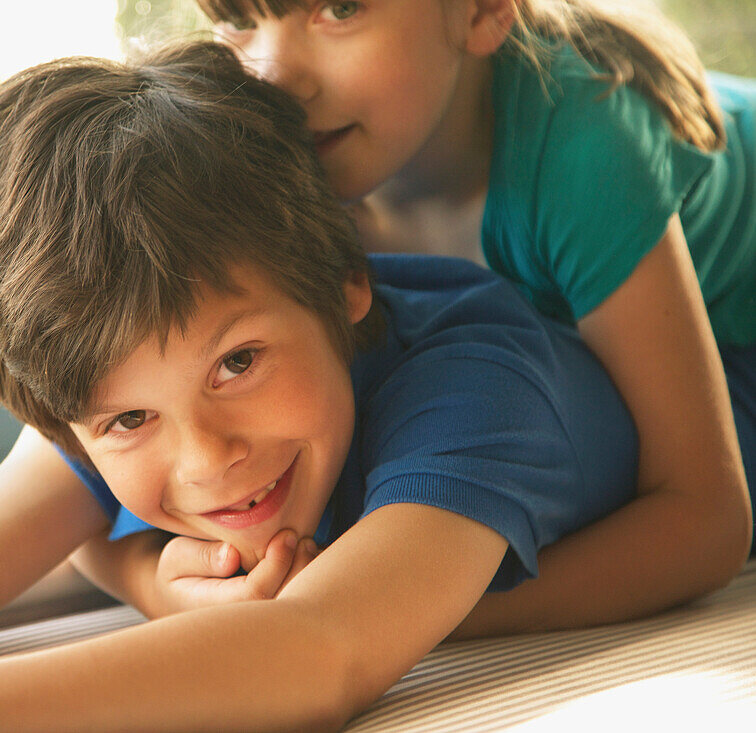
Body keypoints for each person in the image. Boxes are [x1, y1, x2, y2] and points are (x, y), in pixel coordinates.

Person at [0, 42, 749, 731]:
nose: (203, 458)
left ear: (344, 285)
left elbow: (315, 650)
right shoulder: (135, 360)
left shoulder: (476, 386)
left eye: (238, 364)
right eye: (125, 421)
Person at [73, 0, 756, 633]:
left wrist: (411, 608)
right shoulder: (282, 145)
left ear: (481, 9)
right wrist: (155, 584)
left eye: (338, 8)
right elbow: (66, 472)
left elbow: (705, 520)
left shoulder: (585, 149)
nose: (273, 74)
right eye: (237, 17)